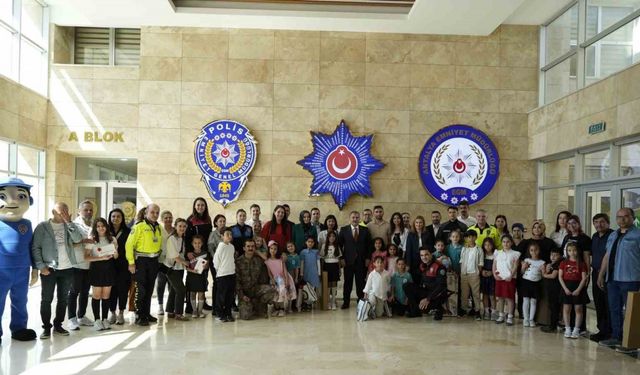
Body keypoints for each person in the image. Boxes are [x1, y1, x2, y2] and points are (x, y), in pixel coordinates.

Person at [32, 202, 84, 339]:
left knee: (63, 299)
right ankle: (46, 328)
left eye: (66, 212)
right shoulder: (42, 227)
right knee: (46, 299)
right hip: (49, 268)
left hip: (67, 268)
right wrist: (40, 266)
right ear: (53, 213)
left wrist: (69, 222)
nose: (64, 214)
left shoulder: (70, 226)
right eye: (61, 212)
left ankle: (58, 325)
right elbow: (35, 247)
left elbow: (78, 239)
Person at [0, 177, 37, 343]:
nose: (12, 201)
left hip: (22, 271)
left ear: (30, 200)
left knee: (21, 301)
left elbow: (32, 247)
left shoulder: (27, 224)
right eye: (3, 197)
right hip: (1, 271)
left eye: (21, 196)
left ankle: (19, 328)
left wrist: (35, 269)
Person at [597, 208, 640, 353]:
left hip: (630, 279)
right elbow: (607, 255)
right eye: (619, 217)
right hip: (612, 279)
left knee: (630, 311)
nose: (622, 219)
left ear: (632, 218)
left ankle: (631, 342)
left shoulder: (638, 235)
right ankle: (617, 337)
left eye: (625, 216)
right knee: (614, 309)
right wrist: (601, 274)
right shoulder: (613, 235)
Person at [125, 203, 162, 326]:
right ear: (146, 212)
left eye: (157, 212)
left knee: (150, 289)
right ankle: (139, 315)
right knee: (140, 290)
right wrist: (131, 263)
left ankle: (146, 313)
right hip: (140, 261)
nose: (155, 215)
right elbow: (129, 245)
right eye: (152, 212)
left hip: (153, 261)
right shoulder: (139, 226)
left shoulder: (158, 228)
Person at [67, 200, 95, 331]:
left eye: (91, 210)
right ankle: (71, 318)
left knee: (85, 291)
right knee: (74, 291)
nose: (89, 212)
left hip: (90, 264)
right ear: (79, 211)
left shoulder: (95, 224)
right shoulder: (74, 225)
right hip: (77, 263)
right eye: (86, 210)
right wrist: (84, 240)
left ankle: (81, 316)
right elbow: (69, 243)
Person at [85, 218, 117, 331]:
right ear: (95, 228)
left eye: (102, 225)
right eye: (98, 226)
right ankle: (97, 320)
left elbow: (116, 257)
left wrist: (115, 252)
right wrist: (101, 257)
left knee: (106, 296)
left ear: (106, 227)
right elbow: (86, 257)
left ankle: (105, 319)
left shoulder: (112, 239)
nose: (101, 228)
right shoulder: (92, 240)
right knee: (97, 295)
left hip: (109, 269)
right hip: (96, 269)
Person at [561, 215, 591, 334]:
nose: (571, 226)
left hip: (579, 273)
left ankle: (580, 327)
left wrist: (588, 274)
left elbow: (586, 257)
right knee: (568, 302)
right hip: (567, 273)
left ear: (579, 224)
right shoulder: (567, 237)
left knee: (579, 302)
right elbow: (564, 254)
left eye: (574, 223)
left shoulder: (584, 239)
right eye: (569, 224)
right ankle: (569, 325)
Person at [236, 239, 276, 320]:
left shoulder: (258, 260)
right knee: (245, 316)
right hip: (244, 293)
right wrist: (242, 295)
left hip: (256, 290)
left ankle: (259, 306)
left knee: (272, 290)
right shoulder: (238, 262)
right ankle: (251, 307)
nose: (250, 248)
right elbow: (236, 281)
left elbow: (264, 276)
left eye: (252, 246)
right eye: (248, 246)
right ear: (244, 248)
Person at [185, 197, 213, 311]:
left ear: (205, 206)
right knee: (192, 278)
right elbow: (187, 238)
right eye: (198, 205)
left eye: (202, 205)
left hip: (204, 252)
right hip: (194, 253)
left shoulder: (208, 219)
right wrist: (188, 252)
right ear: (194, 206)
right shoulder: (190, 220)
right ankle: (189, 306)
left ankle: (203, 302)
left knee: (203, 277)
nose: (200, 207)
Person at [339, 211, 371, 309]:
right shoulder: (344, 230)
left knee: (360, 283)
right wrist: (341, 258)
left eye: (357, 217)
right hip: (348, 261)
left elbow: (369, 246)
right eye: (353, 217)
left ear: (359, 218)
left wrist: (367, 258)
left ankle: (360, 301)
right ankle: (346, 302)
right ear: (350, 218)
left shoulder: (365, 230)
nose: (355, 219)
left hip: (361, 261)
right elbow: (339, 245)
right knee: (347, 282)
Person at [403, 248, 447, 320]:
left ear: (431, 254)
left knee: (426, 309)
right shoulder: (423, 266)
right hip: (426, 292)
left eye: (426, 254)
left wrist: (428, 298)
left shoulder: (439, 267)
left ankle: (438, 308)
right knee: (407, 286)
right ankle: (415, 312)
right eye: (422, 255)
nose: (424, 257)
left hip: (436, 296)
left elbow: (441, 286)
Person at [589, 213, 613, 343]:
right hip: (595, 273)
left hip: (608, 274)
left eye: (602, 222)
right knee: (599, 303)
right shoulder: (595, 236)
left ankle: (610, 331)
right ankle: (602, 330)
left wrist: (602, 274)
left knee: (608, 303)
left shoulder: (612, 235)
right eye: (596, 222)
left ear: (608, 223)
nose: (599, 224)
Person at [559, 243, 589, 339]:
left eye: (574, 250)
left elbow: (584, 278)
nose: (572, 252)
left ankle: (576, 329)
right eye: (570, 250)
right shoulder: (563, 263)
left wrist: (578, 290)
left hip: (578, 287)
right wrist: (565, 289)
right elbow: (560, 277)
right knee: (566, 309)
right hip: (566, 287)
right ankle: (567, 328)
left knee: (578, 309)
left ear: (577, 251)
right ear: (567, 252)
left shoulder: (581, 263)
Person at [107, 208, 131, 325]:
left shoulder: (128, 232)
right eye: (113, 216)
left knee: (122, 289)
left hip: (123, 265)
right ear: (110, 218)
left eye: (118, 216)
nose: (115, 218)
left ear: (122, 219)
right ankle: (112, 313)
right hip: (109, 265)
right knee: (111, 290)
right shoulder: (105, 232)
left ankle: (121, 312)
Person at [164, 218, 190, 321]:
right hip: (171, 268)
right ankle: (178, 314)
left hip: (179, 268)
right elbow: (175, 256)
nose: (182, 228)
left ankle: (170, 311)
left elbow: (181, 254)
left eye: (184, 226)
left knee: (174, 290)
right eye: (180, 226)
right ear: (175, 226)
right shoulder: (172, 239)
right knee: (181, 290)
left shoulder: (182, 239)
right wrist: (186, 263)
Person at [493, 235, 520, 326]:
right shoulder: (497, 253)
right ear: (501, 243)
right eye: (504, 242)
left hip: (509, 279)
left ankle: (510, 316)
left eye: (508, 242)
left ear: (511, 243)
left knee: (509, 298)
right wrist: (494, 275)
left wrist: (511, 276)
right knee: (500, 298)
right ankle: (501, 315)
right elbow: (494, 265)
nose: (505, 243)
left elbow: (515, 266)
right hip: (499, 278)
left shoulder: (515, 254)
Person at [265, 240, 296, 316]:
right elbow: (269, 272)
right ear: (269, 249)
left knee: (282, 290)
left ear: (277, 250)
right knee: (276, 292)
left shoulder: (280, 260)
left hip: (283, 278)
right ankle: (276, 308)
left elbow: (285, 270)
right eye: (271, 248)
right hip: (275, 279)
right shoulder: (267, 261)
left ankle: (282, 309)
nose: (273, 250)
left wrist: (286, 280)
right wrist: (272, 280)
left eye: (275, 249)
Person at [213, 229, 236, 322]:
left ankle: (228, 313)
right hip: (222, 275)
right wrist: (220, 271)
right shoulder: (221, 246)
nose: (229, 236)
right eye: (227, 234)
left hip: (231, 273)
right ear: (222, 236)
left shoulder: (232, 247)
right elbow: (216, 261)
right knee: (221, 296)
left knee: (230, 296)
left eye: (231, 234)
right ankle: (219, 314)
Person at [460, 231, 483, 320]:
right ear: (466, 238)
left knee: (476, 294)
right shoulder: (464, 249)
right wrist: (462, 272)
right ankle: (464, 309)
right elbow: (461, 261)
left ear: (476, 238)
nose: (471, 239)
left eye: (473, 237)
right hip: (464, 274)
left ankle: (477, 311)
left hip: (474, 274)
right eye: (468, 237)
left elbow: (481, 263)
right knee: (464, 293)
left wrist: (478, 272)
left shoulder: (478, 249)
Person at [520, 243, 545, 328]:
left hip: (536, 283)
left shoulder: (542, 262)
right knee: (526, 300)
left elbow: (543, 275)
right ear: (529, 251)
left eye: (536, 250)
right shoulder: (527, 260)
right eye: (531, 250)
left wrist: (544, 269)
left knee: (533, 302)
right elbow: (522, 272)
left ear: (539, 251)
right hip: (526, 282)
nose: (534, 252)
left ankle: (531, 319)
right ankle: (525, 319)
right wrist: (523, 267)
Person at [540, 248, 563, 333]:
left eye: (555, 255)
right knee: (551, 306)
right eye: (551, 255)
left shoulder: (558, 264)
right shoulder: (552, 264)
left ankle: (553, 325)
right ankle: (553, 324)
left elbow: (553, 276)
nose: (553, 257)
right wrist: (547, 269)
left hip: (556, 289)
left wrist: (543, 273)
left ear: (560, 256)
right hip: (550, 289)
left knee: (554, 307)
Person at [186, 235, 208, 318]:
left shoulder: (205, 253)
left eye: (199, 243)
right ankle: (194, 311)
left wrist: (205, 266)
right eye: (195, 243)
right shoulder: (189, 255)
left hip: (201, 277)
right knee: (192, 293)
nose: (197, 245)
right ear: (192, 244)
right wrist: (192, 270)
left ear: (202, 244)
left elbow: (207, 265)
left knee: (201, 294)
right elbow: (186, 267)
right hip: (191, 276)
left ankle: (200, 311)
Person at [156, 210, 173, 316]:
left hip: (172, 261)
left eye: (170, 217)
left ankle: (170, 307)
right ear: (162, 219)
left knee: (172, 285)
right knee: (161, 284)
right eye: (166, 218)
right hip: (161, 261)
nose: (168, 219)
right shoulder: (159, 230)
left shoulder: (175, 230)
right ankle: (160, 306)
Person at [320, 231, 341, 310]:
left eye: (333, 236)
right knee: (328, 284)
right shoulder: (324, 246)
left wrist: (339, 270)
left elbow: (338, 259)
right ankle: (328, 302)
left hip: (335, 266)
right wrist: (322, 270)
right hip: (327, 266)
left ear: (335, 238)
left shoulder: (337, 246)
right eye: (330, 236)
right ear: (327, 237)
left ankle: (333, 302)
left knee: (334, 284)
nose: (332, 238)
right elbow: (322, 259)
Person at [405, 215, 430, 283]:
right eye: (417, 222)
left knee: (425, 277)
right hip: (414, 260)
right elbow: (408, 249)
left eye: (420, 222)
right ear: (414, 224)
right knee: (415, 278)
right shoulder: (411, 234)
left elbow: (430, 247)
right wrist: (408, 264)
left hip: (425, 258)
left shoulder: (427, 233)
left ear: (423, 224)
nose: (418, 224)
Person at [300, 236, 321, 311]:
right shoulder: (303, 252)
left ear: (314, 243)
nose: (310, 243)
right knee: (306, 288)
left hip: (314, 273)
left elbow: (318, 262)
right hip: (306, 272)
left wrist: (319, 273)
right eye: (309, 241)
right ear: (306, 242)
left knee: (312, 288)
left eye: (312, 242)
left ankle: (310, 303)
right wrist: (301, 273)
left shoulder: (316, 252)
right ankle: (305, 303)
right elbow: (302, 263)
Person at [480, 238, 497, 320]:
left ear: (492, 245)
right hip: (483, 278)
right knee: (485, 295)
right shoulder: (482, 254)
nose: (487, 246)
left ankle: (493, 312)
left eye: (489, 245)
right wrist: (482, 271)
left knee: (492, 296)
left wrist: (492, 273)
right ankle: (486, 311)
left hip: (492, 278)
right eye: (486, 245)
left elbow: (498, 267)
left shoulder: (495, 255)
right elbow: (479, 265)